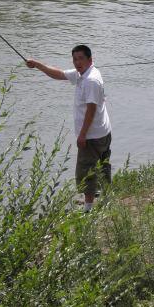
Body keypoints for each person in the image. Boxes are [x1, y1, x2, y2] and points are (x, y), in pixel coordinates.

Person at [26, 45, 112, 212]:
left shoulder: (90, 80)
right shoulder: (84, 74)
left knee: (86, 171)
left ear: (90, 60)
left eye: (80, 58)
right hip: (103, 131)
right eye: (74, 59)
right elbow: (58, 74)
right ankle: (107, 199)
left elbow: (91, 110)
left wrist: (82, 135)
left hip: (92, 136)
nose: (77, 62)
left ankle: (88, 209)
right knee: (103, 166)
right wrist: (37, 64)